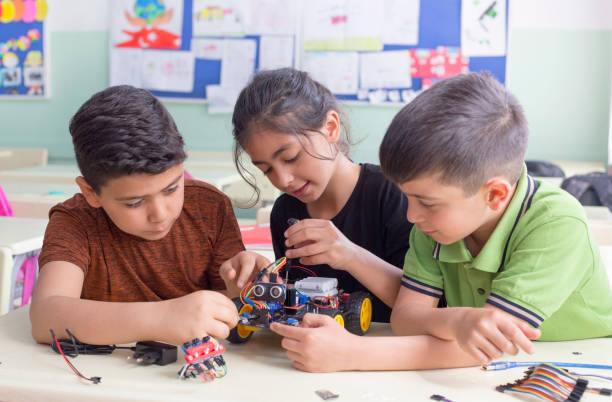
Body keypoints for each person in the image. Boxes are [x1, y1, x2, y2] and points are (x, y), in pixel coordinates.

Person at [268, 72, 612, 372]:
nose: (412, 216)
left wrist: (353, 353)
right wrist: (457, 319)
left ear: (493, 195)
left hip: (576, 363)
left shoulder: (556, 223)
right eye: (410, 197)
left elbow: (485, 348)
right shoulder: (434, 225)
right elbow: (405, 319)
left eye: (427, 203)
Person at [30, 85, 244, 346]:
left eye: (172, 188)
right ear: (91, 192)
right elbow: (44, 318)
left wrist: (243, 287)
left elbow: (230, 305)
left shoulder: (210, 207)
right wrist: (162, 318)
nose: (160, 214)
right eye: (134, 203)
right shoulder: (75, 222)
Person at [220, 67, 413, 323]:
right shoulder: (286, 211)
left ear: (331, 127)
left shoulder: (394, 195)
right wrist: (260, 283)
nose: (282, 180)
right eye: (266, 170)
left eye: (291, 157)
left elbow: (425, 305)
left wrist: (350, 256)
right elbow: (296, 307)